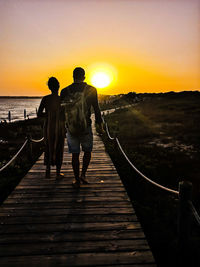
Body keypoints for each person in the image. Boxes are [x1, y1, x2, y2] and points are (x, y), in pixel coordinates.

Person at [61, 67, 104, 188]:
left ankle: (76, 179)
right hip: (86, 126)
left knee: (75, 154)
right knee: (87, 151)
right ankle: (83, 174)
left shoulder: (64, 91)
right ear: (84, 77)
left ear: (73, 76)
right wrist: (100, 125)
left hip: (71, 128)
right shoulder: (91, 89)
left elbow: (61, 112)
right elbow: (96, 109)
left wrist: (63, 127)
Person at [37, 77, 65, 178]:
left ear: (49, 87)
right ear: (58, 86)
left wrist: (49, 115)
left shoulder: (45, 99)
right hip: (59, 127)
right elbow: (64, 115)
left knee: (48, 146)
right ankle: (57, 173)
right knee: (59, 147)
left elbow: (39, 114)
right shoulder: (61, 99)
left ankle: (47, 171)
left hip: (48, 126)